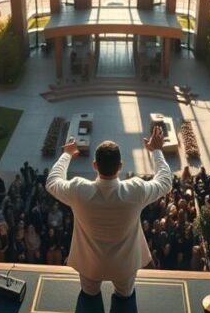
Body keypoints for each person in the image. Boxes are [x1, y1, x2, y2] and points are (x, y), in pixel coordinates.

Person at [46, 125, 172, 298]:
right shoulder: (135, 191)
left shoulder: (79, 191)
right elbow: (165, 182)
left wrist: (67, 154)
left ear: (94, 165)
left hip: (90, 265)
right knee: (125, 298)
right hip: (125, 266)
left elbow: (52, 181)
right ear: (120, 166)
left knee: (89, 299)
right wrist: (156, 151)